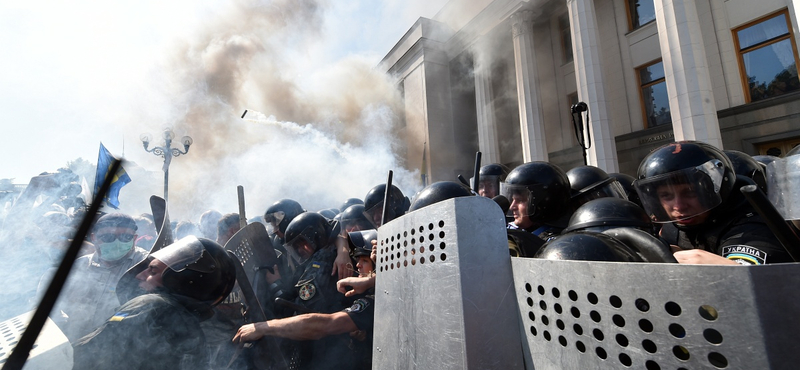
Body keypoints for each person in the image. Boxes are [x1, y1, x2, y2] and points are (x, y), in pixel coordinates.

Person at [72, 236, 236, 370]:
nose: (140, 275)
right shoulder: (198, 323)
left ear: (180, 280)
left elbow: (84, 352)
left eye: (152, 271)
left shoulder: (150, 304)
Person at [234, 229, 377, 370]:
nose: (357, 265)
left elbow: (324, 325)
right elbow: (335, 232)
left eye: (365, 260)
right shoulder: (371, 293)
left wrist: (263, 327)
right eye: (358, 260)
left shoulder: (373, 300)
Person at [634, 140, 793, 265]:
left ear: (716, 188)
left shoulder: (752, 227)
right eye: (666, 196)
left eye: (690, 192)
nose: (679, 206)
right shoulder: (670, 227)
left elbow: (766, 283)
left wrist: (728, 269)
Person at [260, 211, 353, 369]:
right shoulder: (329, 250)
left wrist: (276, 285)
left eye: (302, 243)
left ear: (314, 236)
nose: (300, 250)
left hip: (327, 349)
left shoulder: (321, 264)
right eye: (295, 247)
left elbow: (301, 311)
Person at [42, 213, 148, 342]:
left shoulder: (146, 266)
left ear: (135, 238)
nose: (117, 242)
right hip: (75, 340)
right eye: (108, 237)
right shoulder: (79, 266)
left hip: (117, 343)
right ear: (94, 238)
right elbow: (52, 307)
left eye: (126, 237)